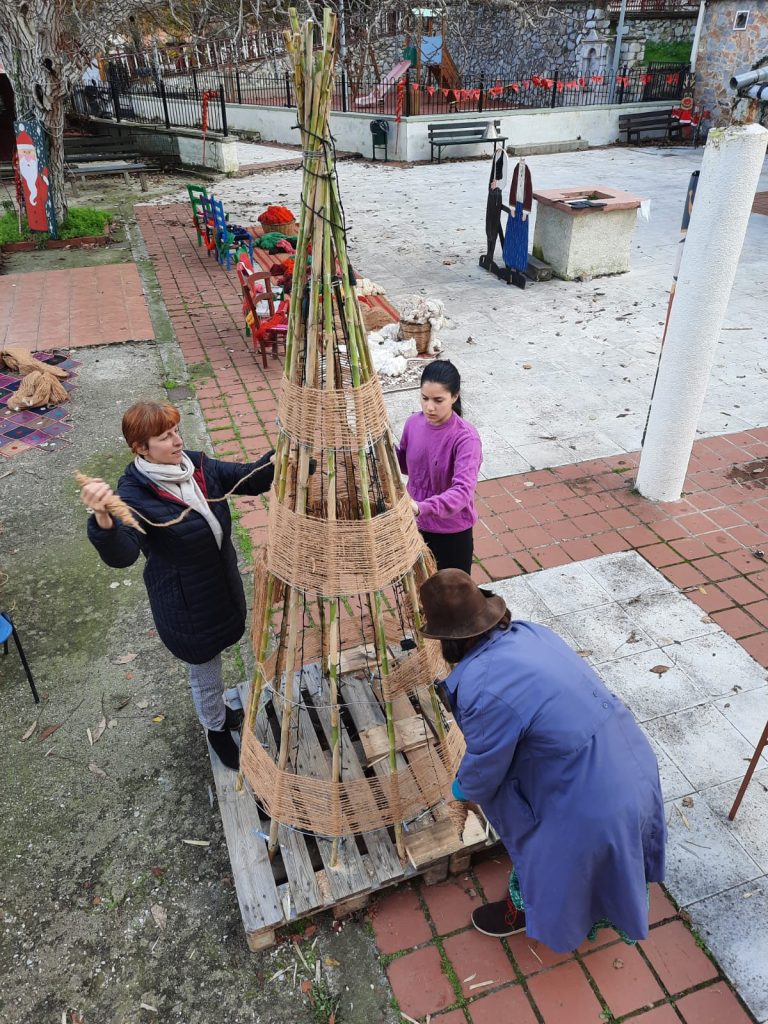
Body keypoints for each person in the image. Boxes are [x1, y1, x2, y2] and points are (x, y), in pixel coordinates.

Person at [420, 569, 666, 953]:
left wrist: (460, 788)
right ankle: (610, 908)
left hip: (593, 798)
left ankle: (528, 912)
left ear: (447, 642)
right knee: (615, 855)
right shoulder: (529, 633)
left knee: (546, 849)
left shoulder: (482, 687)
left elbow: (486, 765)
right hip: (631, 761)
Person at [80, 400, 274, 771]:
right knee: (205, 669)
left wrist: (279, 460)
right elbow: (121, 553)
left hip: (218, 585)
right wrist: (103, 516)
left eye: (176, 432)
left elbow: (247, 477)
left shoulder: (196, 466)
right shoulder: (135, 495)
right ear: (140, 448)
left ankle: (219, 712)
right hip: (184, 604)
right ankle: (215, 729)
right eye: (165, 437)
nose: (177, 441)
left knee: (217, 655)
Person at [397, 361, 482, 574]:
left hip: (451, 533)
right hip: (415, 527)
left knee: (451, 602)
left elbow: (462, 492)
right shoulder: (413, 424)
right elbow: (407, 467)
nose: (429, 407)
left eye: (438, 400)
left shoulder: (466, 438)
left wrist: (421, 507)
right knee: (419, 594)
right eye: (424, 398)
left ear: (455, 396)